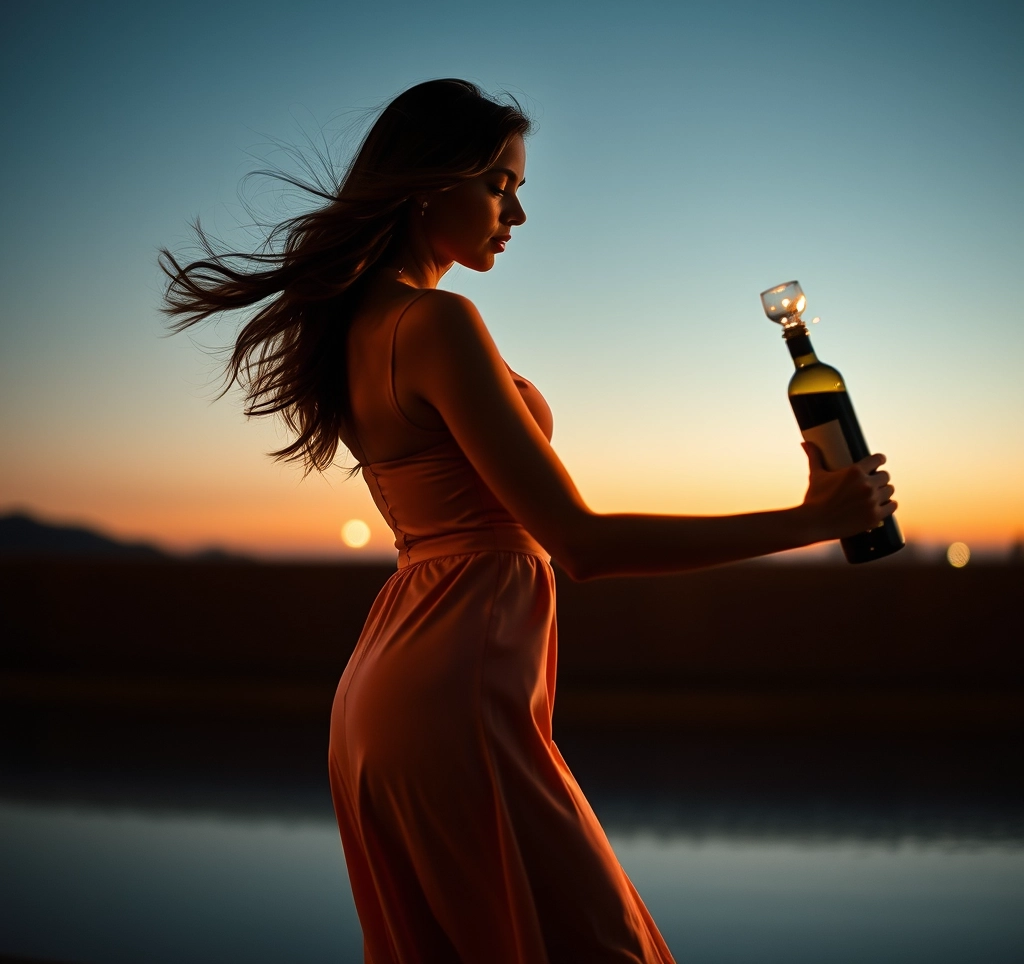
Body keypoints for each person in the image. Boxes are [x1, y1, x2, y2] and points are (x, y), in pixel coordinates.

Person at [161, 78, 896, 963]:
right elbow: (580, 545)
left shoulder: (360, 328)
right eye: (500, 185)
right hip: (454, 699)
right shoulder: (437, 322)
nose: (517, 213)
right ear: (431, 183)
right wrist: (813, 518)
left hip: (387, 695)